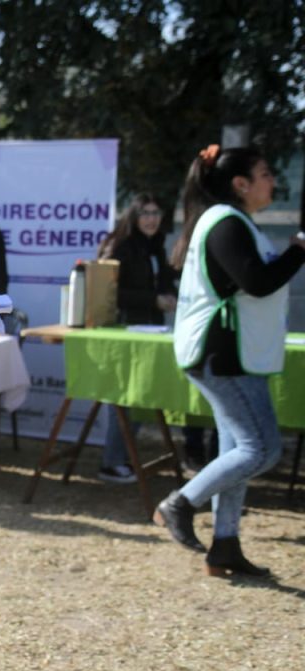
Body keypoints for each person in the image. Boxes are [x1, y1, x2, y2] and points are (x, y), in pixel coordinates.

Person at [155, 144, 305, 577]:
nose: (272, 179)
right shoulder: (225, 223)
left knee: (237, 450)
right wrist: (298, 251)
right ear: (240, 184)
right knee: (262, 448)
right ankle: (179, 503)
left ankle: (225, 544)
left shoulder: (235, 223)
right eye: (265, 173)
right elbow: (256, 282)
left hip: (232, 353)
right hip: (224, 354)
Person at [94, 193, 178, 483]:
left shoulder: (156, 245)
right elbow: (108, 292)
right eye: (146, 213)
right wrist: (154, 299)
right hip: (125, 328)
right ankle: (111, 462)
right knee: (125, 397)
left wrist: (171, 295)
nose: (152, 219)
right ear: (133, 216)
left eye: (156, 213)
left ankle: (122, 456)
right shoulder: (119, 245)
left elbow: (164, 279)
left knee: (143, 394)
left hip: (153, 329)